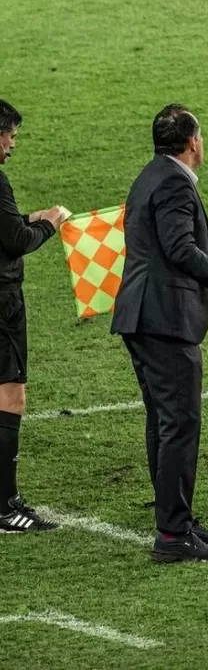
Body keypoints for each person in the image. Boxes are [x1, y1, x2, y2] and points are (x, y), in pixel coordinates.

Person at [111, 104, 208, 563]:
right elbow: (180, 250)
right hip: (164, 319)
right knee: (179, 423)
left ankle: (177, 519)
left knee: (164, 423)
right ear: (193, 143)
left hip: (143, 315)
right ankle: (172, 534)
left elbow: (165, 249)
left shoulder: (151, 176)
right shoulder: (174, 183)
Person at [0, 100, 69, 532]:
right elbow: (17, 239)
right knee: (10, 396)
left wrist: (31, 216)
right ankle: (6, 507)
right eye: (9, 136)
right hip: (2, 304)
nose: (11, 145)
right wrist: (51, 223)